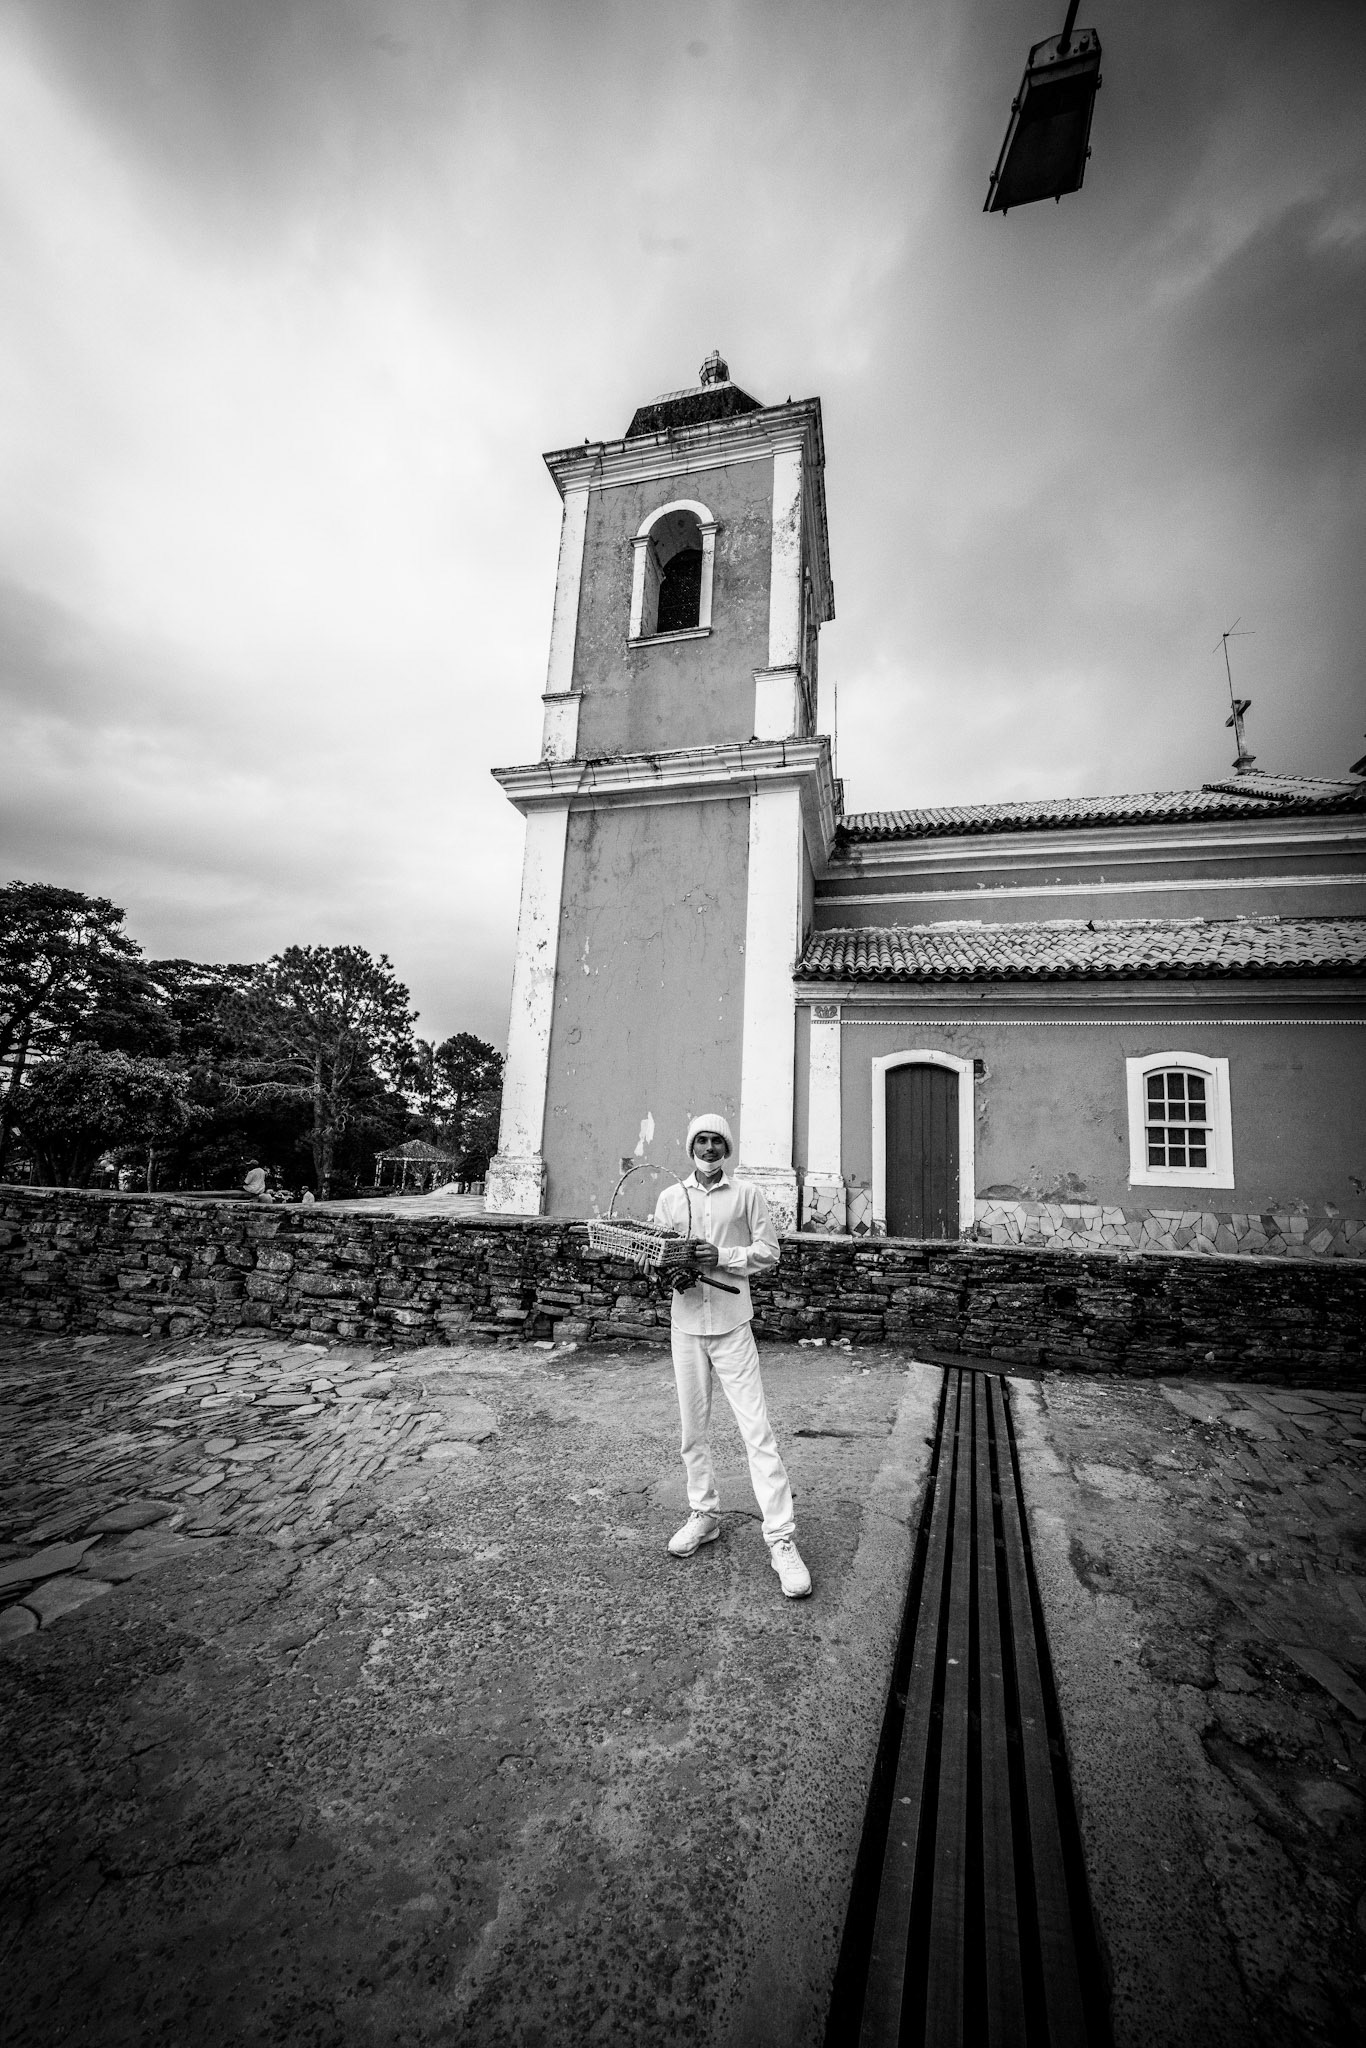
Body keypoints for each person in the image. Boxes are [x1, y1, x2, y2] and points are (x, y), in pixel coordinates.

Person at [651, 1112, 812, 1600]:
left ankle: (781, 1539)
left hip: (732, 1325)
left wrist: (722, 1256)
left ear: (726, 1148)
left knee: (757, 1432)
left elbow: (769, 1251)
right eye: (700, 1140)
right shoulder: (670, 1197)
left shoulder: (747, 1194)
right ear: (690, 1147)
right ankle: (704, 1514)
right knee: (692, 1431)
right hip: (685, 1326)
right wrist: (665, 1269)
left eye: (716, 1141)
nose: (708, 1148)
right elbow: (656, 1255)